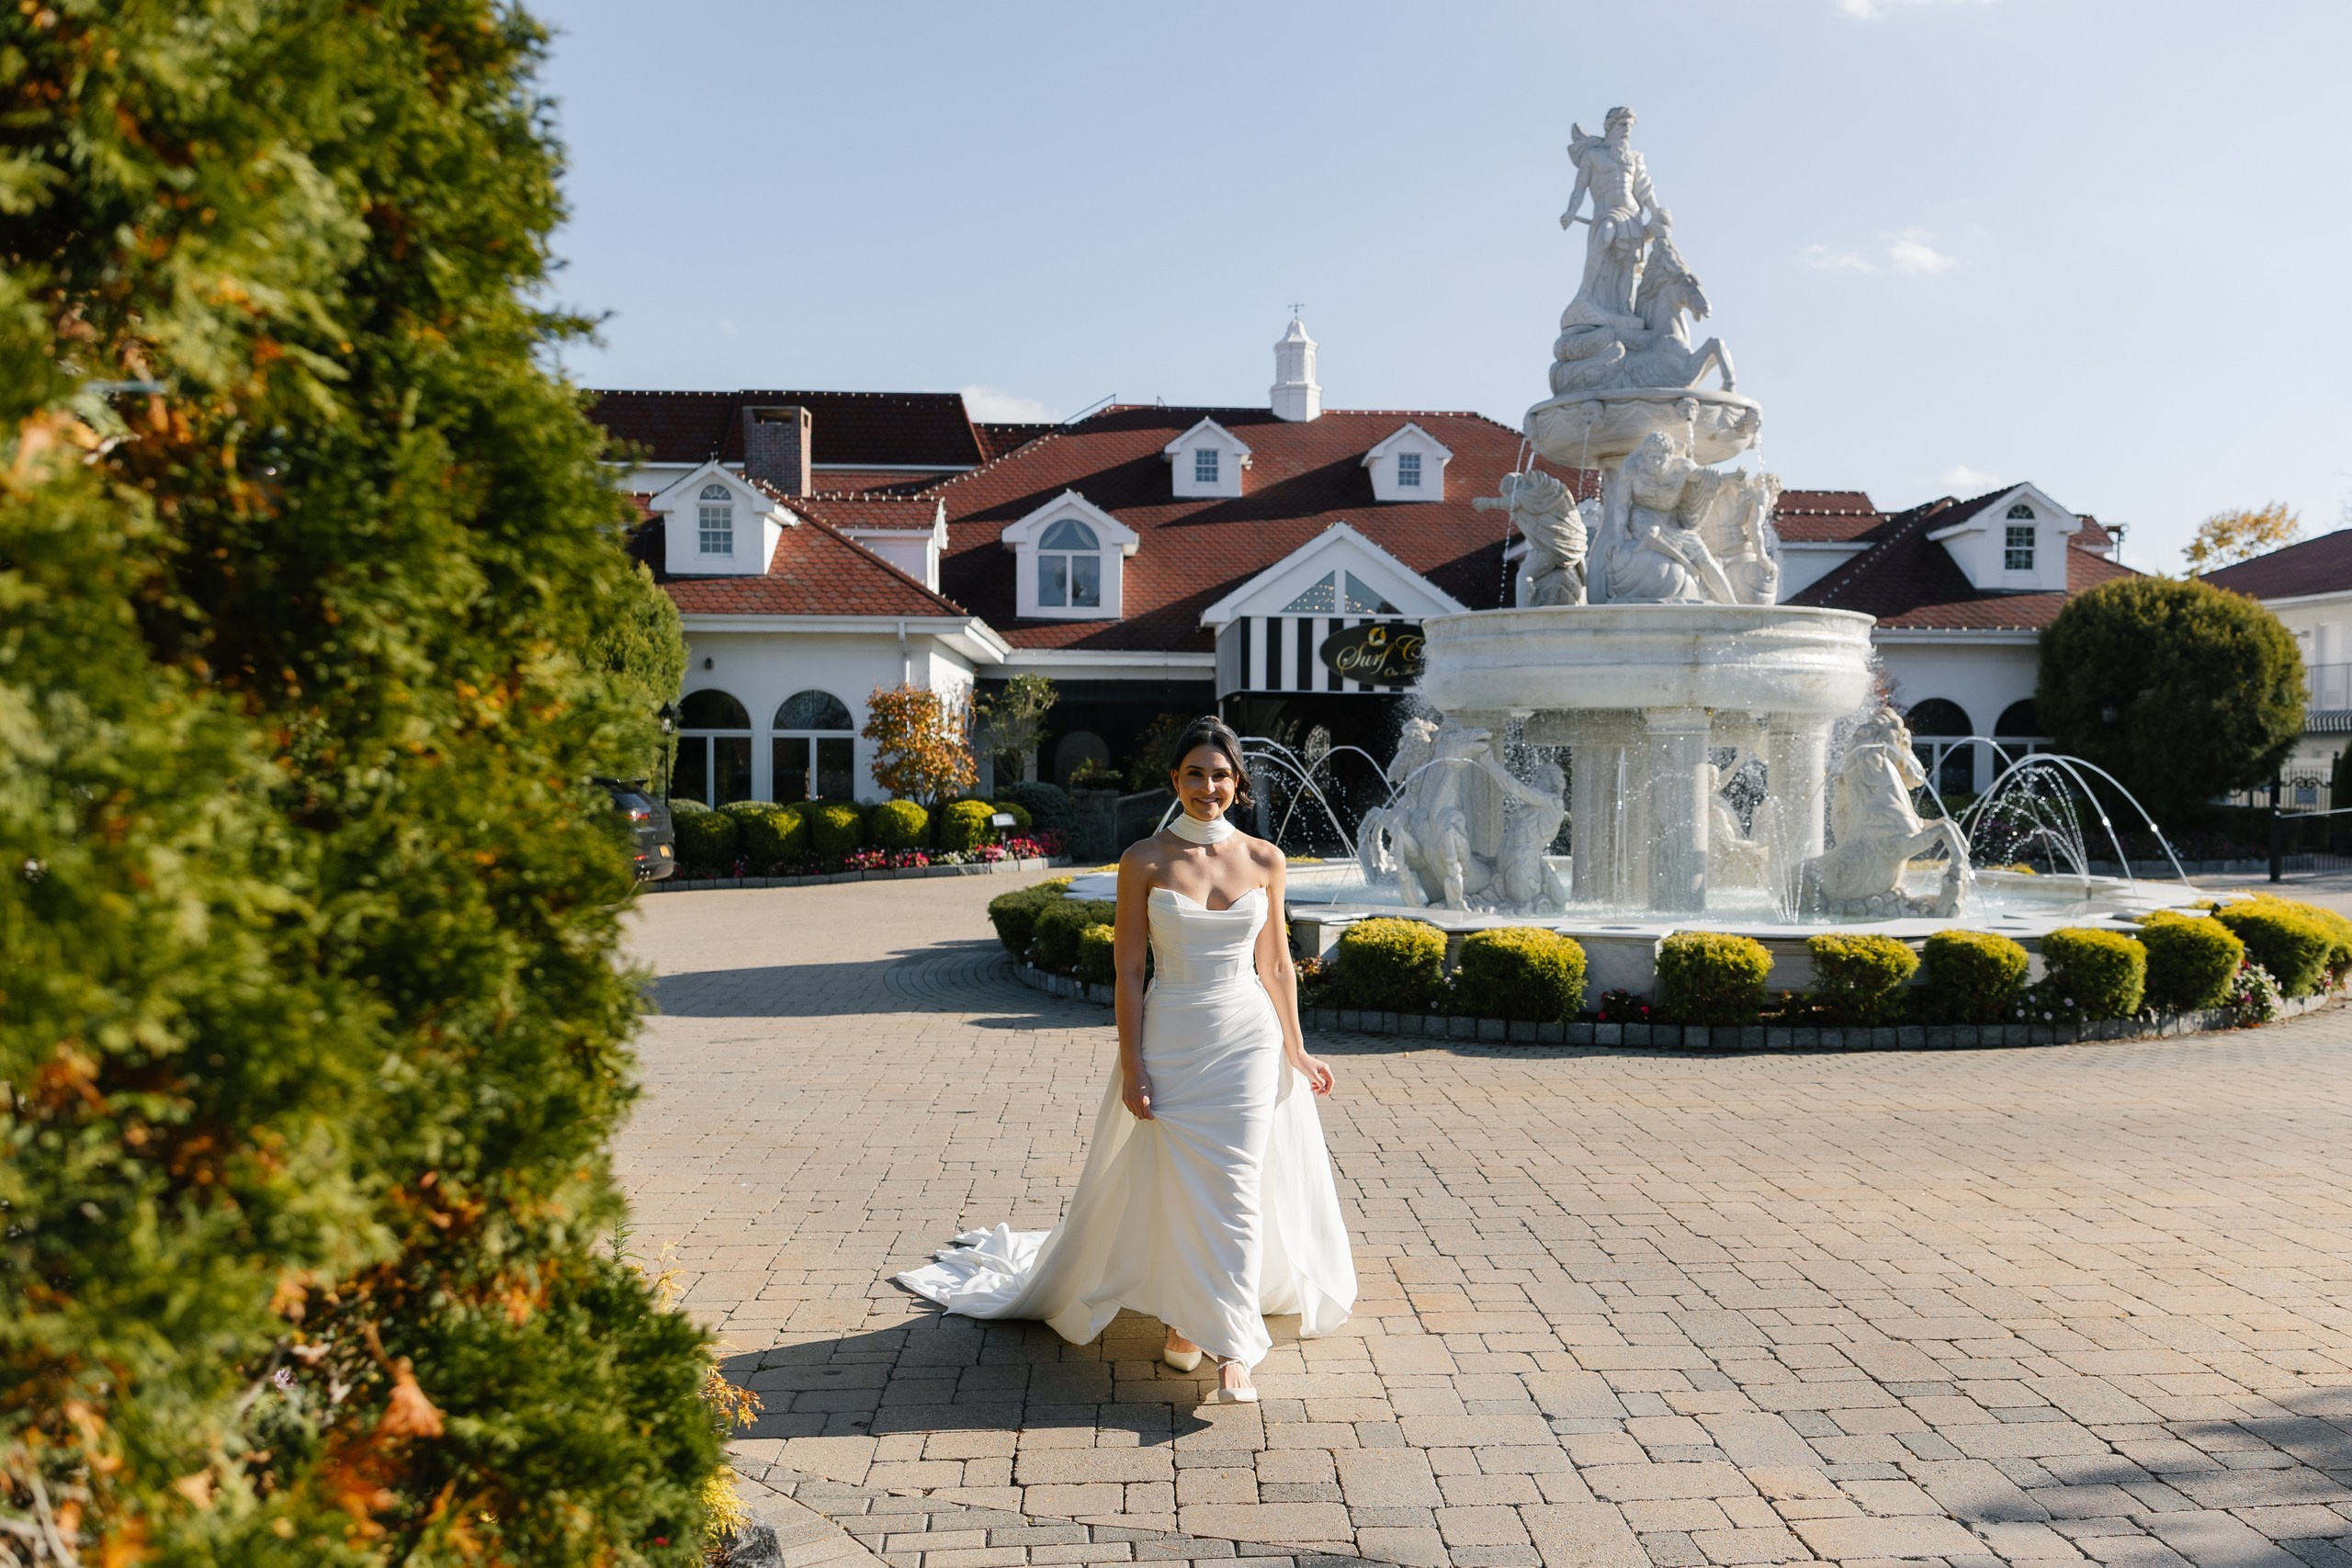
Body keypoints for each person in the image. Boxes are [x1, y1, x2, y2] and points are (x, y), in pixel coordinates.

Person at [897, 716, 1356, 1403]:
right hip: (1173, 1036)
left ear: (1239, 783)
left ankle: (1233, 1344)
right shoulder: (1144, 858)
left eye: (1221, 774)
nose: (1209, 786)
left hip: (1246, 1040)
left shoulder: (1265, 859)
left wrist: (1296, 1045)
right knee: (1176, 1181)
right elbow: (1130, 971)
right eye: (1195, 773)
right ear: (1175, 779)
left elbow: (1278, 963)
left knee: (1232, 1181)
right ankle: (1180, 1321)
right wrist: (1134, 1065)